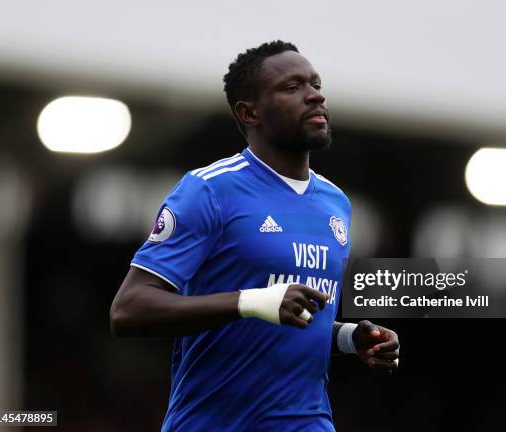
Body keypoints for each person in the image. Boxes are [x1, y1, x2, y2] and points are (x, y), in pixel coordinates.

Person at [110, 40, 399, 432]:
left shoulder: (336, 204)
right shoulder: (209, 190)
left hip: (307, 422)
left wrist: (348, 337)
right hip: (213, 422)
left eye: (315, 84)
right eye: (293, 88)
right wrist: (249, 301)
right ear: (250, 112)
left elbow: (283, 316)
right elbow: (128, 310)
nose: (316, 95)